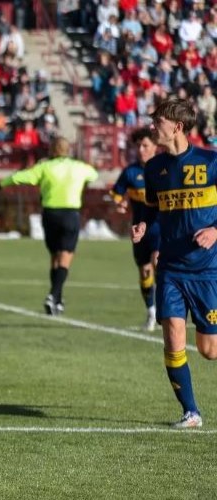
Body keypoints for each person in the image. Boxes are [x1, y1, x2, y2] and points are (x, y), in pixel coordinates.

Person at [131, 98, 217, 429]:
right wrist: (142, 224)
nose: (153, 127)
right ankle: (191, 412)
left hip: (207, 269)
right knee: (172, 337)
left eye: (158, 123)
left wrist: (214, 230)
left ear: (177, 127)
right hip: (170, 268)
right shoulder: (153, 169)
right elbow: (152, 209)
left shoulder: (210, 161)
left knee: (209, 350)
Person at [0, 137, 98, 316]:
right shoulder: (79, 167)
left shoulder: (45, 167)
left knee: (55, 256)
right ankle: (53, 295)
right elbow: (94, 175)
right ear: (68, 150)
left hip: (50, 214)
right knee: (65, 257)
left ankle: (57, 300)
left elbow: (21, 177)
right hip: (70, 214)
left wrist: (2, 183)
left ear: (52, 150)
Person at [110, 127, 160, 331]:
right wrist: (119, 203)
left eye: (145, 145)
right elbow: (116, 193)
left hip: (160, 229)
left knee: (159, 263)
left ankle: (169, 310)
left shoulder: (162, 169)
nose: (141, 149)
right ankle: (151, 312)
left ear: (155, 146)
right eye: (138, 145)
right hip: (139, 231)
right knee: (145, 272)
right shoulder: (130, 172)